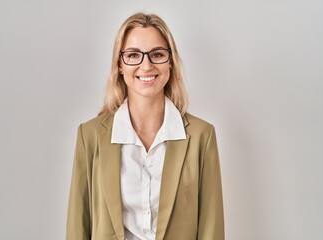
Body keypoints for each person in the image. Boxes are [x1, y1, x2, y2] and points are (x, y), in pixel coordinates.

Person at [66, 12, 224, 240]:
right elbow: (77, 227)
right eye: (133, 55)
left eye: (157, 54)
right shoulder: (90, 136)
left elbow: (212, 228)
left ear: (170, 63)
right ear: (119, 65)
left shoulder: (201, 136)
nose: (146, 65)